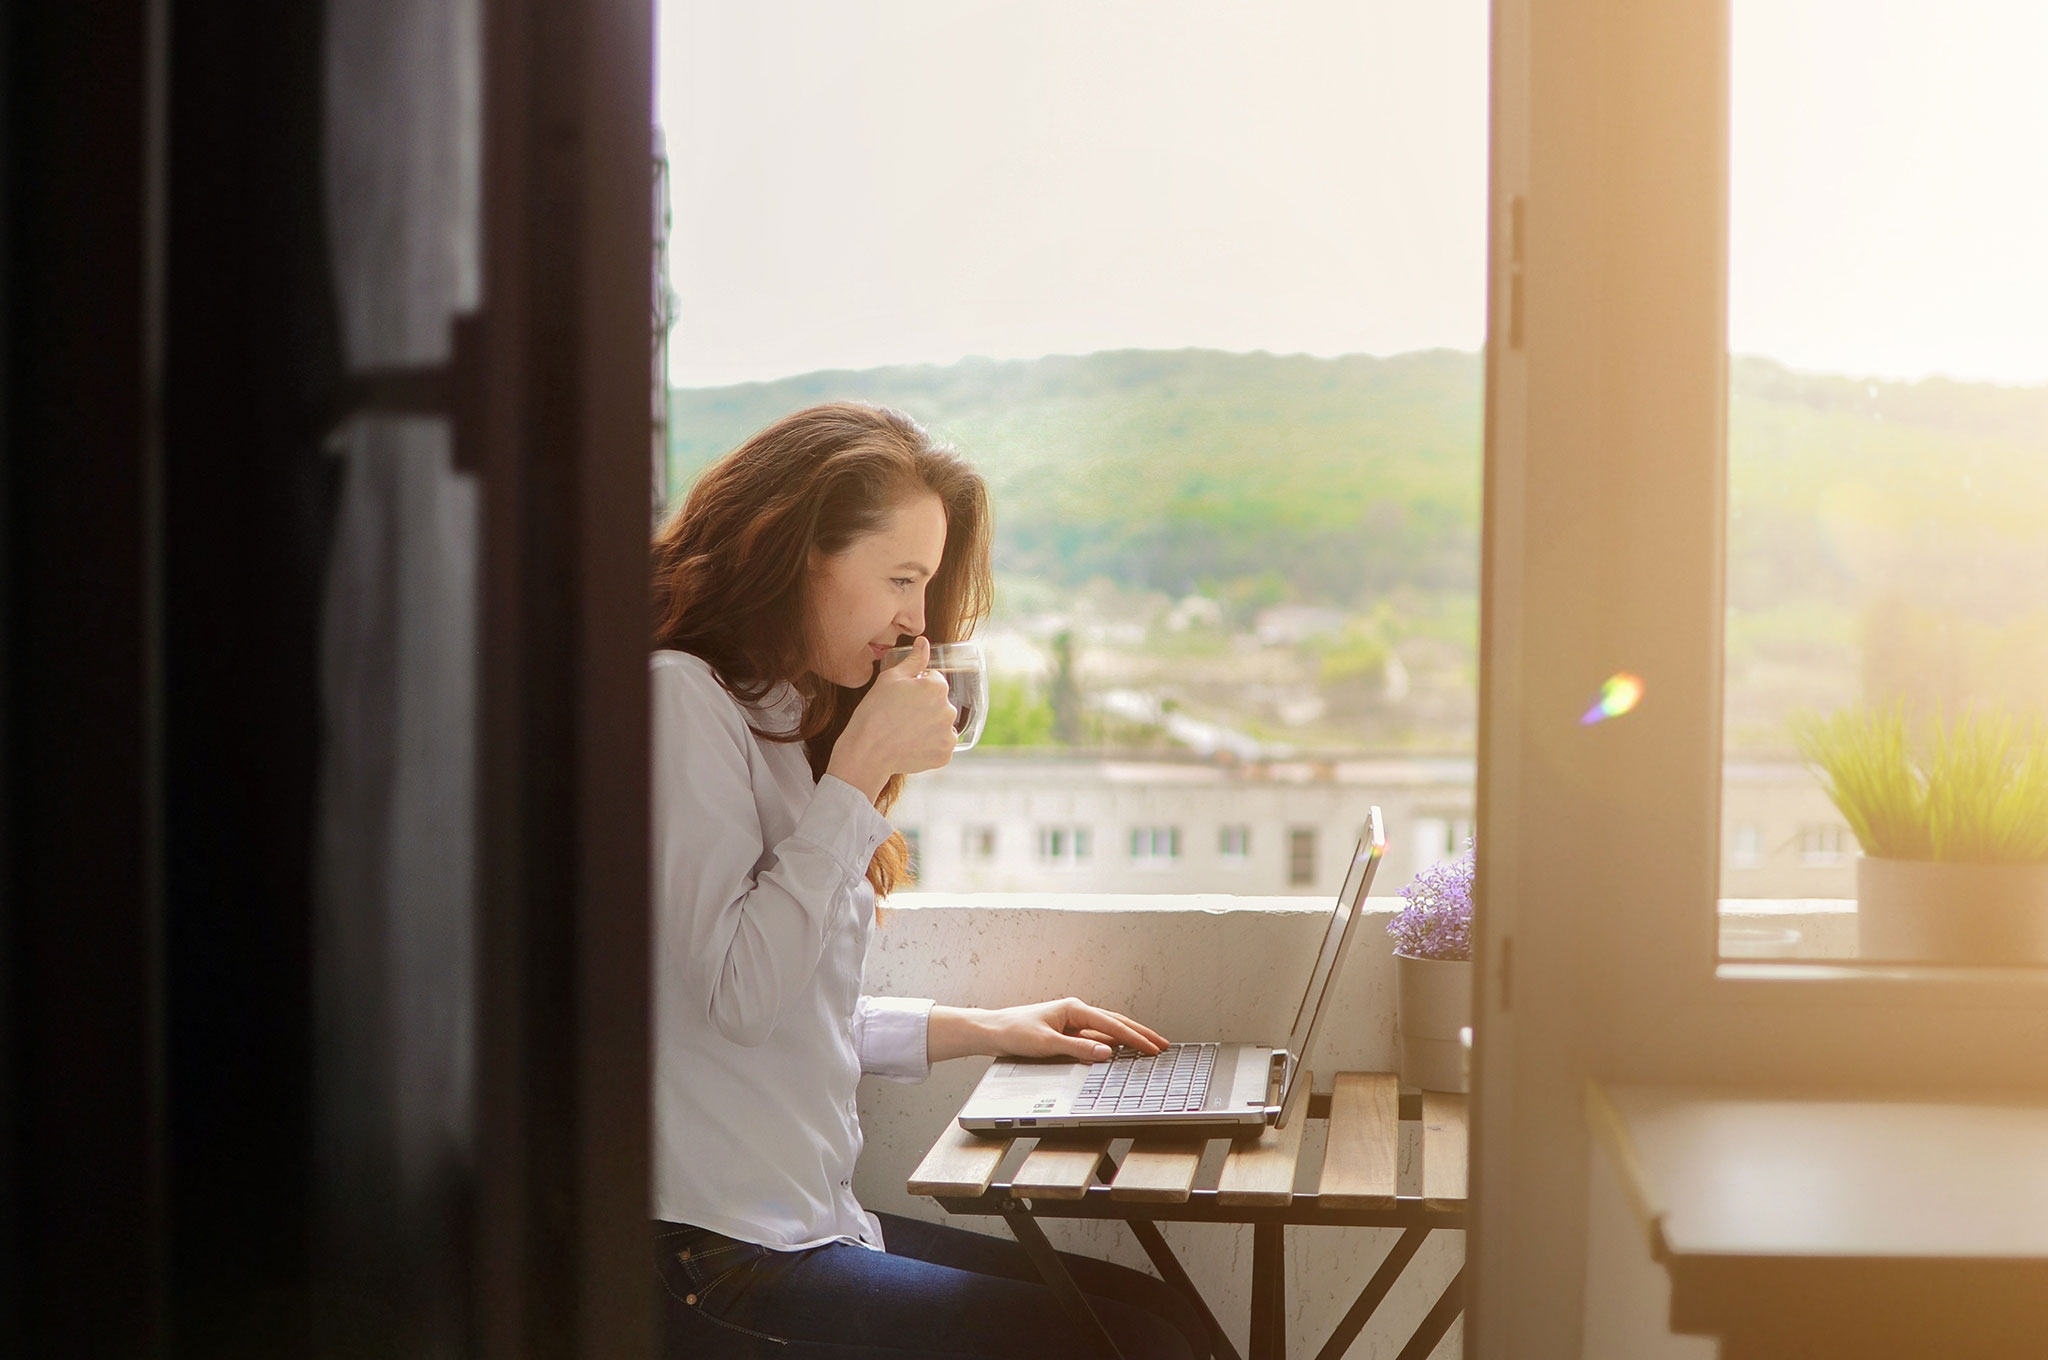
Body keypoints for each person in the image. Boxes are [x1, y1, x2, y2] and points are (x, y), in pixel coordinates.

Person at [649, 403, 1211, 1359]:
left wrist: (989, 1029)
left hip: (810, 1226)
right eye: (901, 579)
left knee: (1164, 1320)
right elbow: (735, 1000)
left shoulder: (786, 721)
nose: (915, 619)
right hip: (720, 1259)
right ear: (797, 552)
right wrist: (856, 779)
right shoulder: (679, 702)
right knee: (1129, 1344)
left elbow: (785, 1011)